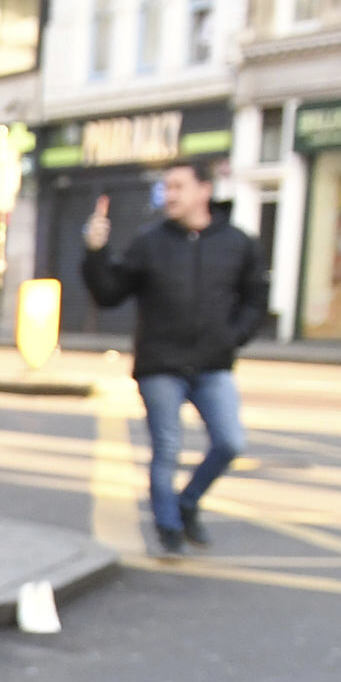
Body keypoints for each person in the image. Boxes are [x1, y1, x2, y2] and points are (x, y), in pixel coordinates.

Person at [80, 162, 268, 556]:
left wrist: (232, 339)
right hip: (161, 364)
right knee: (166, 448)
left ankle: (189, 501)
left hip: (212, 364)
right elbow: (110, 293)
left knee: (230, 442)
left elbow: (255, 300)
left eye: (178, 187)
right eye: (167, 188)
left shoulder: (236, 242)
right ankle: (168, 528)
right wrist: (96, 253)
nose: (170, 195)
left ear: (204, 190)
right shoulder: (150, 242)